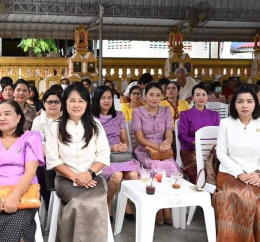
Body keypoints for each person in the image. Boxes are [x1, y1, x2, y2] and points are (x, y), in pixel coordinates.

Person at [0, 100, 45, 242]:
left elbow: (30, 171)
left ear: (18, 118)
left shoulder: (29, 138)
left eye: (7, 114)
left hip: (24, 193)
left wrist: (15, 196)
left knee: (18, 224)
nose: (2, 118)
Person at [46, 83, 110, 242]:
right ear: (64, 102)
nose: (76, 105)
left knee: (96, 202)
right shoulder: (55, 127)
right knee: (78, 202)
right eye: (72, 100)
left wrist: (89, 174)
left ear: (87, 104)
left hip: (93, 178)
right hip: (65, 179)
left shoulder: (96, 125)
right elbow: (53, 159)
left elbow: (103, 155)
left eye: (81, 101)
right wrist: (75, 177)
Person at [213, 85, 260, 241]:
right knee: (232, 195)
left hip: (255, 173)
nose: (245, 105)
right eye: (240, 101)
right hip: (229, 172)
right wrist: (239, 173)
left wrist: (258, 173)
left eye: (249, 101)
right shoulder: (226, 123)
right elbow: (221, 153)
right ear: (234, 104)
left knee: (253, 195)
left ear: (255, 104)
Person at [132, 82, 180, 225]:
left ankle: (167, 206)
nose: (154, 98)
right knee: (155, 165)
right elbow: (140, 138)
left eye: (158, 95)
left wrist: (166, 144)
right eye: (151, 95)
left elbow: (169, 134)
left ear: (162, 97)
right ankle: (158, 207)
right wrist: (157, 146)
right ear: (145, 96)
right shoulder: (137, 112)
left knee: (169, 164)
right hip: (145, 148)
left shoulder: (166, 111)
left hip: (163, 149)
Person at [92, 86, 140, 222]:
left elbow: (124, 138)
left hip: (120, 155)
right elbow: (91, 143)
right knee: (117, 176)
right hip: (102, 155)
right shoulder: (91, 117)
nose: (107, 101)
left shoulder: (119, 115)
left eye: (109, 98)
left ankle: (125, 204)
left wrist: (124, 144)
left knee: (133, 175)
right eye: (103, 98)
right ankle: (107, 202)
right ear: (97, 99)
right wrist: (111, 148)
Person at [178, 84, 220, 184]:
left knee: (223, 167)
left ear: (207, 97)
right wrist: (195, 143)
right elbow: (182, 136)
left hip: (211, 151)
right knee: (199, 171)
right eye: (197, 95)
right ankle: (201, 192)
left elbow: (218, 135)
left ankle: (217, 194)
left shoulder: (214, 115)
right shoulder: (185, 114)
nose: (201, 97)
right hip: (190, 151)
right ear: (193, 97)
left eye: (203, 94)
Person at [31, 88, 62, 210]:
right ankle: (50, 207)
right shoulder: (38, 120)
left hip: (64, 157)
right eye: (49, 102)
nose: (53, 105)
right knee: (41, 169)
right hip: (45, 158)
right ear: (44, 103)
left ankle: (54, 209)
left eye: (56, 102)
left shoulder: (67, 119)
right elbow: (38, 143)